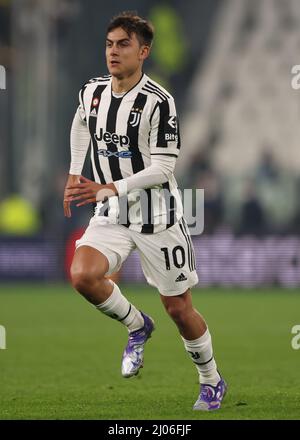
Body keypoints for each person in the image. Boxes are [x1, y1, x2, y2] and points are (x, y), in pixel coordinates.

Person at [63, 11, 227, 411]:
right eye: (109, 44)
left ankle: (211, 380)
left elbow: (164, 167)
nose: (113, 52)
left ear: (144, 51)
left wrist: (110, 186)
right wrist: (74, 171)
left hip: (159, 217)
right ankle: (137, 325)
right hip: (113, 211)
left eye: (123, 44)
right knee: (83, 275)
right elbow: (81, 123)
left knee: (179, 308)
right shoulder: (93, 91)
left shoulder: (159, 101)